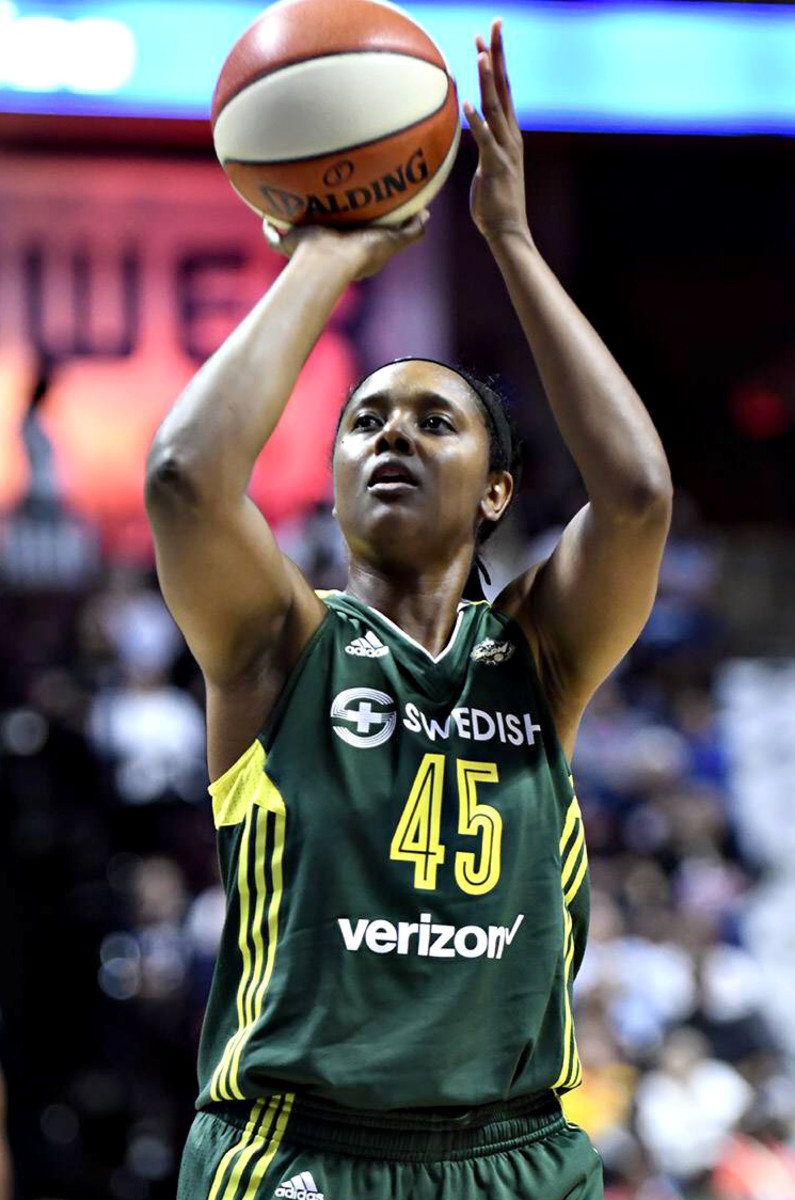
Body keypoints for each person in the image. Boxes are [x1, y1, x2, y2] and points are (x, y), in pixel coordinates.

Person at [146, 20, 672, 1200]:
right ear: (329, 478)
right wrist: (331, 251)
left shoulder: (538, 651)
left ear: (496, 488)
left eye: (436, 420)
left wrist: (513, 241)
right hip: (300, 1154)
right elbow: (184, 474)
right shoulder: (282, 642)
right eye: (365, 420)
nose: (392, 433)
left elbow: (636, 494)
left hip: (517, 1156)